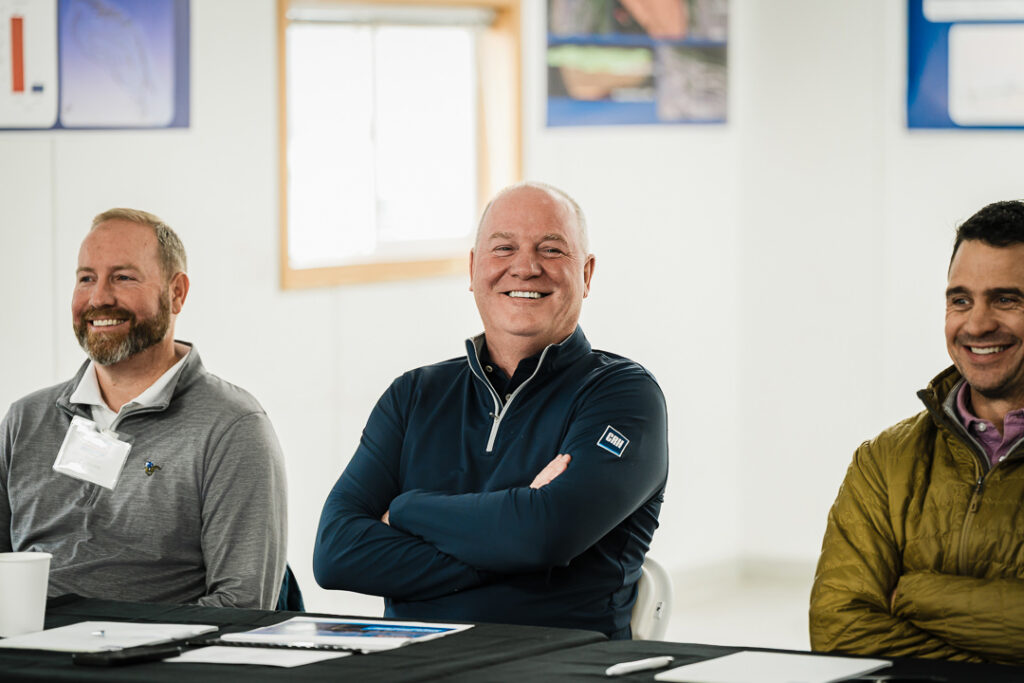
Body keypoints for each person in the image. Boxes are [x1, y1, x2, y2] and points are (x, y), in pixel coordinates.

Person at [313, 182, 668, 639]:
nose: (525, 267)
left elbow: (543, 536)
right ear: (473, 268)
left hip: (555, 662)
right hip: (410, 659)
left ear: (587, 274)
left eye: (551, 249)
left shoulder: (622, 396)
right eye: (503, 248)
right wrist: (516, 542)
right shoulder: (414, 395)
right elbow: (336, 554)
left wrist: (404, 510)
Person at [0, 208, 287, 609]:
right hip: (26, 642)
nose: (99, 298)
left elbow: (241, 605)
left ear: (177, 293)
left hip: (152, 647)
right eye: (86, 278)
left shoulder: (232, 427)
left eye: (123, 277)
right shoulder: (25, 421)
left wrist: (110, 639)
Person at [810, 200, 1024, 665]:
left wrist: (915, 595)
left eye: (1007, 299)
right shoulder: (884, 460)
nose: (977, 324)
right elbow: (838, 628)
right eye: (960, 300)